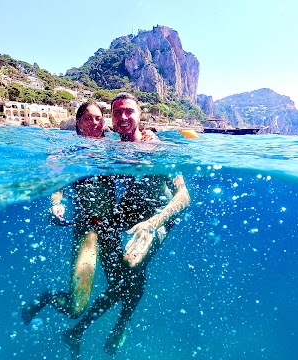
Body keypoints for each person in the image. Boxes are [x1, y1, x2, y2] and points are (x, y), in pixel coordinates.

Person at [61, 92, 190, 358]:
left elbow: (184, 195)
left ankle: (98, 327)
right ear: (112, 118)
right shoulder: (113, 146)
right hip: (127, 213)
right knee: (128, 276)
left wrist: (154, 223)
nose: (123, 117)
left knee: (131, 266)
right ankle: (82, 319)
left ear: (140, 115)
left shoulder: (157, 146)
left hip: (157, 215)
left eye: (129, 111)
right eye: (117, 112)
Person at [22, 101, 117, 323]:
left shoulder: (113, 147)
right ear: (78, 122)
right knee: (76, 308)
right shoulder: (71, 151)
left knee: (123, 284)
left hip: (113, 227)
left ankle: (79, 334)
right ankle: (48, 297)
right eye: (88, 118)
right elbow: (58, 181)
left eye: (98, 118)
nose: (95, 122)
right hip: (88, 230)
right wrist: (57, 203)